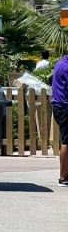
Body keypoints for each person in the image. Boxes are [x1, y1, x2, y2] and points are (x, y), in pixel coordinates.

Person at [48, 53, 68, 186]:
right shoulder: (66, 67)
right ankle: (63, 177)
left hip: (58, 105)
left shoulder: (60, 63)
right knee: (67, 141)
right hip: (65, 107)